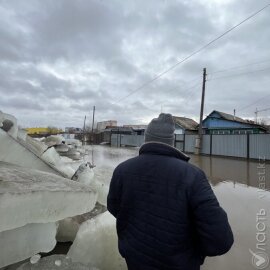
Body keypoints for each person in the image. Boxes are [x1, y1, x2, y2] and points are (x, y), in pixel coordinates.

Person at [107, 113, 234, 270]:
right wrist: (194, 252)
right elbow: (221, 240)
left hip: (134, 259)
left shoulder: (122, 170)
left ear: (146, 138)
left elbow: (113, 207)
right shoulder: (193, 176)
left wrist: (133, 228)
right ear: (171, 141)